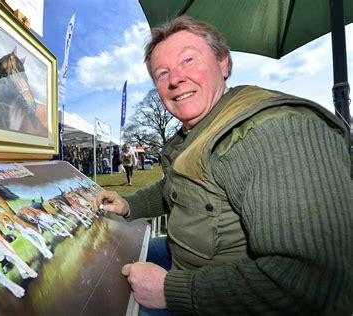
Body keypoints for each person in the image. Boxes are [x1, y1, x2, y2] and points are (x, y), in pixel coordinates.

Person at [94, 16, 352, 315]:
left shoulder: (272, 131)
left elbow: (312, 281)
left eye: (188, 59)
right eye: (162, 73)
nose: (175, 79)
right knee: (109, 262)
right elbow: (177, 187)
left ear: (224, 64)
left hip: (213, 294)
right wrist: (128, 204)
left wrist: (171, 291)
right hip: (181, 257)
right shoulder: (200, 130)